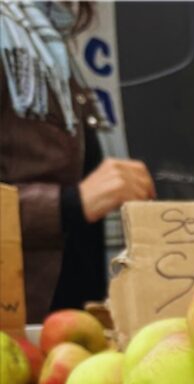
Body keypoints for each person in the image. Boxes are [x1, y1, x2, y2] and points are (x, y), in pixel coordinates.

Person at [0, 2, 154, 320]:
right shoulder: (19, 41)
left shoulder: (47, 42)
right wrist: (73, 202)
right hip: (17, 325)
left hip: (62, 321)